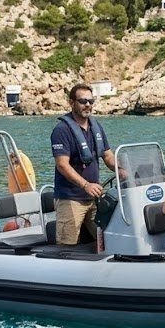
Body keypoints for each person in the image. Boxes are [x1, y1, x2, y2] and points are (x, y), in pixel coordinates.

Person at [51, 83, 117, 245]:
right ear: (71, 102)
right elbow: (62, 165)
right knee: (67, 244)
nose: (87, 104)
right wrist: (86, 185)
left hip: (94, 198)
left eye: (91, 101)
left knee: (107, 239)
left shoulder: (96, 127)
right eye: (82, 101)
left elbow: (108, 156)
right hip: (70, 199)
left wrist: (124, 169)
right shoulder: (62, 130)